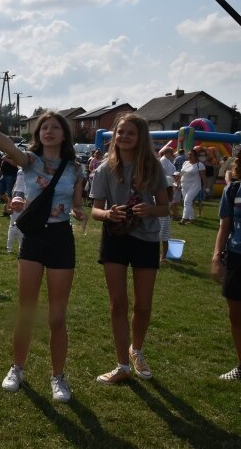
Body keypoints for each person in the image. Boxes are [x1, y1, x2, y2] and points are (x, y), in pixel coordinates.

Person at [0, 109, 86, 403]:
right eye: (44, 127)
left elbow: (76, 202)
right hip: (34, 239)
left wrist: (79, 210)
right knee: (26, 310)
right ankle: (17, 368)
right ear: (38, 134)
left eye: (55, 127)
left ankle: (58, 377)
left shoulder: (74, 167)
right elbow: (10, 147)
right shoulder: (31, 161)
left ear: (64, 134)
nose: (48, 131)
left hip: (61, 239)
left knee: (57, 317)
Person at [90, 113, 169, 385]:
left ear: (140, 138)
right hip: (115, 238)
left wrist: (150, 209)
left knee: (143, 305)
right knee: (117, 304)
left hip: (146, 239)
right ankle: (122, 364)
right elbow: (95, 210)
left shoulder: (153, 167)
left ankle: (137, 350)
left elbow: (166, 207)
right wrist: (108, 213)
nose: (123, 137)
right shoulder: (104, 169)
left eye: (130, 133)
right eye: (120, 132)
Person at [212, 148, 241, 381]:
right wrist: (216, 256)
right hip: (236, 256)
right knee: (235, 315)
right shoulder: (233, 189)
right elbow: (224, 225)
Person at [179, 148, 206, 224]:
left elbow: (203, 177)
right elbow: (181, 174)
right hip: (184, 185)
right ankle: (192, 219)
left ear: (195, 156)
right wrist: (177, 183)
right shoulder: (185, 163)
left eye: (191, 155)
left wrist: (206, 187)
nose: (189, 156)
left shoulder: (200, 165)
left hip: (194, 186)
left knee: (187, 201)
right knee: (187, 202)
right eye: (188, 154)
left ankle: (184, 219)